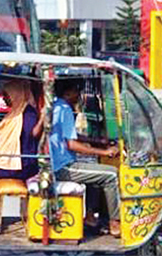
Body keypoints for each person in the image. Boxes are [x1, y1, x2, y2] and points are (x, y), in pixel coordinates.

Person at [49, 80, 121, 238]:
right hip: (63, 167)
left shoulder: (57, 106)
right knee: (111, 174)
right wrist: (105, 152)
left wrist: (98, 141)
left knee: (95, 173)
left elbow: (69, 135)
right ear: (67, 93)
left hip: (60, 162)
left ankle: (90, 216)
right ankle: (115, 222)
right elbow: (71, 144)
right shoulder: (65, 109)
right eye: (76, 91)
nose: (79, 95)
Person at [0, 80, 44, 228]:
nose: (4, 99)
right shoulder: (15, 112)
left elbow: (33, 134)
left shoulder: (27, 114)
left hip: (22, 165)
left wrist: (44, 118)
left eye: (7, 95)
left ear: (16, 94)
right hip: (12, 162)